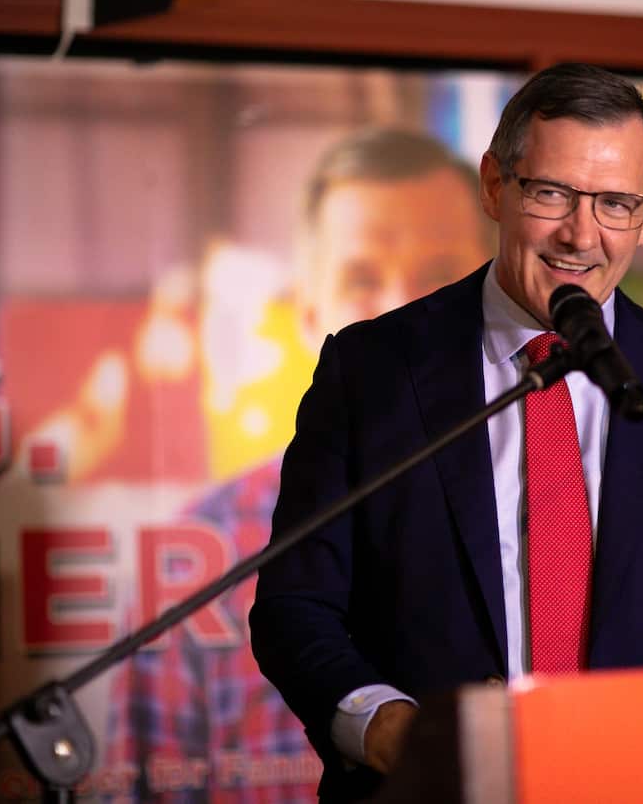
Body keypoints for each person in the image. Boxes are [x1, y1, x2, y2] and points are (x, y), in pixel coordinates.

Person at [251, 63, 643, 802]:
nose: (580, 233)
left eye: (614, 203)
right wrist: (389, 729)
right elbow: (295, 606)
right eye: (552, 193)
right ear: (496, 186)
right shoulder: (369, 370)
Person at [104, 126, 491, 802]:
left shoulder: (566, 523)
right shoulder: (199, 560)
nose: (401, 307)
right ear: (310, 315)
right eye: (362, 278)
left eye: (439, 276)